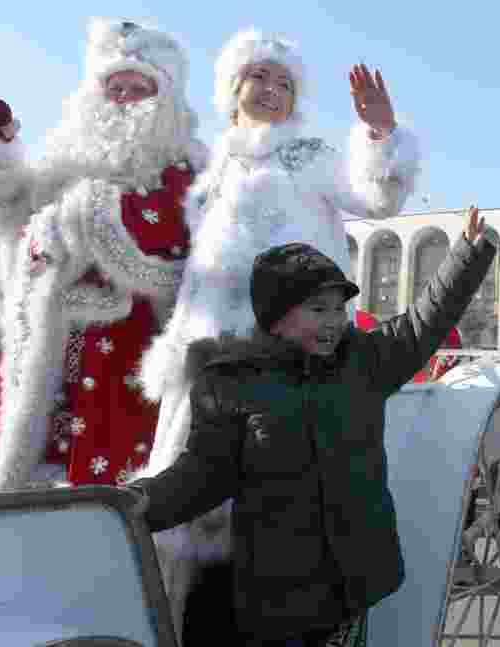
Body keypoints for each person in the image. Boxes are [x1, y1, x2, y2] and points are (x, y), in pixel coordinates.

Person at [131, 28, 421, 639]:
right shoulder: (214, 168)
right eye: (260, 77)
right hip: (208, 357)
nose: (271, 90)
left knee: (270, 507)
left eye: (284, 83)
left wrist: (379, 134)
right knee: (190, 503)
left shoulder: (310, 150)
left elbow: (375, 196)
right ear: (234, 86)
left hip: (289, 355)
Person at [128, 207, 494, 646]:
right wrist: (139, 503)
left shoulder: (364, 361)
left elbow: (422, 323)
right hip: (280, 597)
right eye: (318, 310)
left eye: (339, 309)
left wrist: (466, 256)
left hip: (358, 581)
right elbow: (199, 476)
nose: (334, 322)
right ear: (277, 318)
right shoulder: (231, 384)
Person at [0, 19, 206, 494]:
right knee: (23, 484)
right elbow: (8, 215)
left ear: (164, 98)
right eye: (115, 86)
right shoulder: (65, 155)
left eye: (139, 87)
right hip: (46, 344)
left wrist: (78, 217)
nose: (126, 97)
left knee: (116, 493)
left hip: (129, 349)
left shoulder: (185, 166)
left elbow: (164, 231)